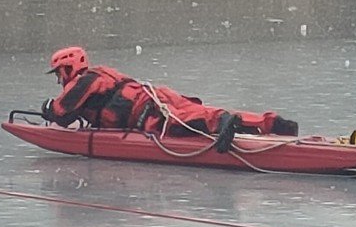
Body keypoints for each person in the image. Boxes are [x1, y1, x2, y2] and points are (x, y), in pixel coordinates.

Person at [39, 46, 299, 154]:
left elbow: (62, 112)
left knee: (184, 124)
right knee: (200, 112)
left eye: (59, 73)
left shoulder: (82, 82)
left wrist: (48, 109)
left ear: (68, 68)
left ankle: (224, 121)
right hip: (156, 96)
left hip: (148, 112)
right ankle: (270, 123)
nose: (59, 79)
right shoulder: (103, 72)